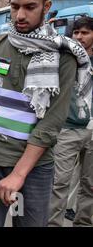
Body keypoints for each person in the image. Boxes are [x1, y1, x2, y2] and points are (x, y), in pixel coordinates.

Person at [0, 0, 91, 227]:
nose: (20, 16)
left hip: (35, 167)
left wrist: (18, 174)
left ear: (47, 7)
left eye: (30, 7)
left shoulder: (64, 55)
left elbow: (51, 123)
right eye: (14, 7)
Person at [49, 17, 93, 227]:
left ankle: (83, 223)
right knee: (59, 183)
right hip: (68, 129)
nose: (79, 37)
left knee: (90, 185)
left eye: (85, 33)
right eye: (76, 33)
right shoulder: (66, 57)